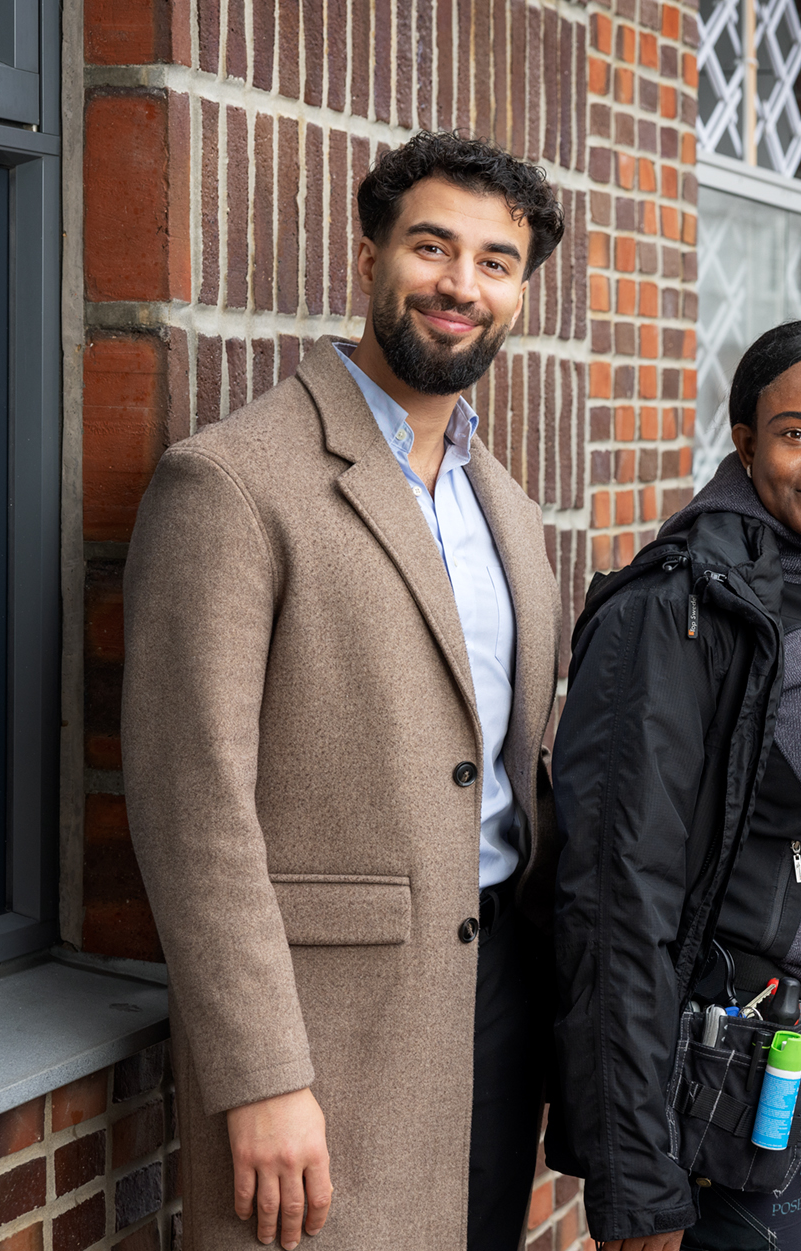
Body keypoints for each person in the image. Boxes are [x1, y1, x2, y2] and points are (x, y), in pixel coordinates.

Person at [121, 131, 566, 1251]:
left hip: (498, 997)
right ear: (368, 250)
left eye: (496, 262)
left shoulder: (507, 509)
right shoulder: (232, 481)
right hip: (329, 1032)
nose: (462, 285)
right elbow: (193, 808)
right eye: (433, 246)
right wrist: (259, 1073)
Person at [547, 320, 801, 1251]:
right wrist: (635, 1170)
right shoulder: (678, 609)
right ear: (746, 441)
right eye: (796, 433)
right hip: (734, 1059)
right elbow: (612, 895)